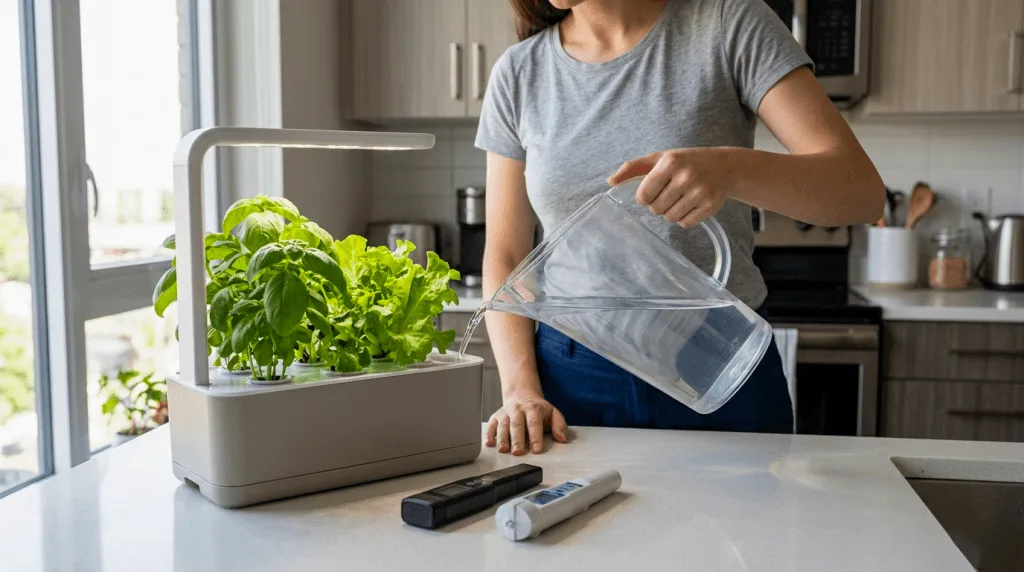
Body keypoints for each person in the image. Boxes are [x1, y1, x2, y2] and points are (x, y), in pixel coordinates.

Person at [474, 0, 884, 456]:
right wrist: (520, 390)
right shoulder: (519, 72)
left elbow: (861, 192)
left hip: (718, 361)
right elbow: (507, 255)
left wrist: (730, 170)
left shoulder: (729, 23)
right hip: (573, 379)